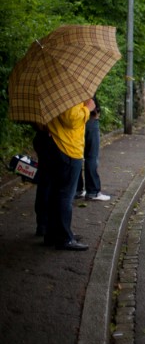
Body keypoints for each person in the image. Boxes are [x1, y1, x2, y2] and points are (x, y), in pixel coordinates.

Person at [45, 99, 94, 250]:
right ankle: (64, 238)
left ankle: (54, 233)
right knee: (65, 195)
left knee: (56, 193)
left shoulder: (54, 92)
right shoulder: (68, 95)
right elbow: (71, 119)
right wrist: (88, 108)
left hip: (58, 144)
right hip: (68, 148)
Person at [76, 95, 111, 202]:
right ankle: (93, 191)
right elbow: (90, 100)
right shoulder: (84, 82)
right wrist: (95, 112)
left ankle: (77, 190)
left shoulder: (68, 87)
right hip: (89, 119)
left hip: (76, 122)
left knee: (76, 156)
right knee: (91, 156)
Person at [33, 125, 52, 236]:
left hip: (41, 139)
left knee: (43, 186)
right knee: (50, 187)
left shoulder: (38, 112)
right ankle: (47, 225)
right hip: (49, 141)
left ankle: (42, 225)